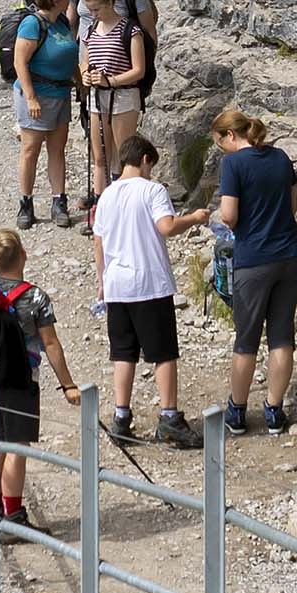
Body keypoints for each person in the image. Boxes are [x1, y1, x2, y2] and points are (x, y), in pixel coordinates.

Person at [0, 226, 80, 522]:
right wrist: (68, 385)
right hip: (21, 380)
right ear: (23, 255)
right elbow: (50, 344)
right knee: (16, 446)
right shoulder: (36, 298)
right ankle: (13, 515)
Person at [92, 135, 208, 447]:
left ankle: (121, 417)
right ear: (145, 159)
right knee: (164, 352)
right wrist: (194, 218)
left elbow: (99, 241)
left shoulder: (107, 195)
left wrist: (102, 281)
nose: (151, 172)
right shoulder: (152, 190)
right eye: (151, 166)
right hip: (148, 282)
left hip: (117, 284)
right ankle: (169, 416)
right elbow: (166, 227)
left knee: (123, 352)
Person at [213, 107, 297, 433]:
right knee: (281, 336)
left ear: (231, 135)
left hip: (253, 259)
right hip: (290, 256)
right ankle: (273, 411)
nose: (220, 148)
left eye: (220, 142)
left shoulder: (233, 164)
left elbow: (229, 215)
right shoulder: (281, 158)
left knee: (247, 338)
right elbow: (293, 207)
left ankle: (237, 411)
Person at [13, 0, 81, 227]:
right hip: (37, 94)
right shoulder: (33, 24)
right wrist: (31, 97)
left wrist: (81, 87)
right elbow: (20, 62)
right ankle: (25, 202)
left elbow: (70, 57)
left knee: (57, 149)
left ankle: (58, 200)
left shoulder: (62, 22)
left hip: (60, 94)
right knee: (30, 149)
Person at [77, 0, 150, 201]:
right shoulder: (91, 29)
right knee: (100, 156)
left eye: (96, 9)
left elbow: (139, 70)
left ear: (109, 3)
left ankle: (128, 202)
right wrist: (85, 76)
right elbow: (85, 61)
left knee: (125, 154)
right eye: (90, 10)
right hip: (97, 98)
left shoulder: (130, 30)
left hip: (123, 98)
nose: (93, 14)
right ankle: (100, 206)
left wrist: (110, 80)